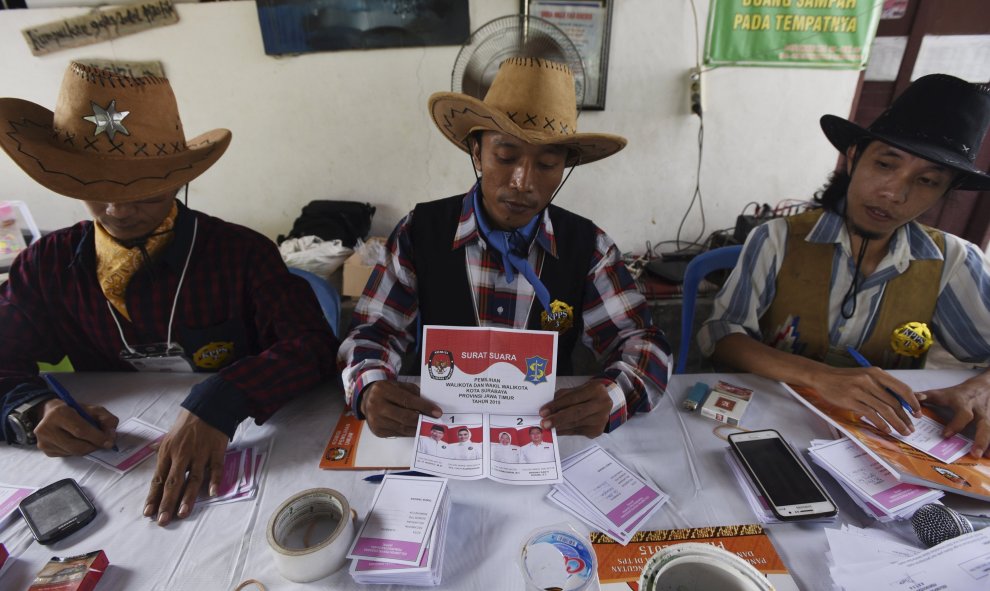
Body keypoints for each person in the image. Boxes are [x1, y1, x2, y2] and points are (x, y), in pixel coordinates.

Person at [0, 62, 340, 526]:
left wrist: (225, 397)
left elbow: (314, 347)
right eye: (95, 187)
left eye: (143, 188)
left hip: (243, 461)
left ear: (179, 177)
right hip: (115, 481)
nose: (118, 208)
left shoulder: (240, 253)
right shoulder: (44, 266)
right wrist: (34, 408)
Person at [339, 57, 671, 439]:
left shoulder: (587, 248)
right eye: (506, 156)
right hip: (437, 433)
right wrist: (370, 388)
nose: (522, 181)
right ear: (477, 152)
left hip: (542, 438)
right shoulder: (420, 233)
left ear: (563, 169)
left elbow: (644, 343)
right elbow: (372, 332)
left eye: (546, 164)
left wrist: (613, 396)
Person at [699, 74, 990, 457]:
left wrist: (977, 389)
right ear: (854, 156)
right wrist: (821, 377)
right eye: (886, 164)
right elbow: (723, 337)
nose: (894, 193)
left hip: (879, 445)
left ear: (945, 192)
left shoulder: (953, 261)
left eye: (927, 181)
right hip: (769, 428)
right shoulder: (778, 239)